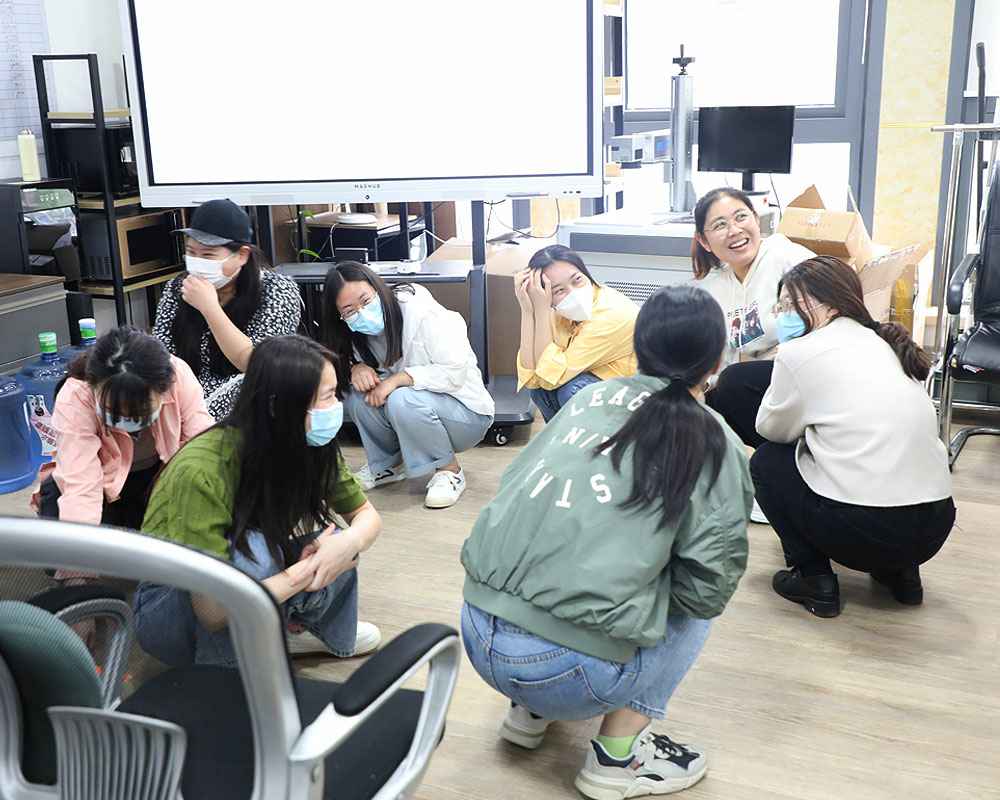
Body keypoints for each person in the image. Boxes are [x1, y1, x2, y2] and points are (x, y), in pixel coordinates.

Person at [460, 286, 752, 799]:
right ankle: (616, 759)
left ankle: (528, 715)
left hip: (475, 631)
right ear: (716, 362)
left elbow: (514, 489)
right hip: (571, 672)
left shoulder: (587, 398)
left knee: (564, 535)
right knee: (696, 601)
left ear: (638, 347)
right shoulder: (714, 438)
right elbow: (709, 585)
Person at [134, 335, 383, 666]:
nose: (336, 405)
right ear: (279, 406)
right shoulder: (202, 469)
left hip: (238, 585)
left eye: (334, 393)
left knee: (334, 542)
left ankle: (283, 631)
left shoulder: (309, 444)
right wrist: (304, 572)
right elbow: (211, 611)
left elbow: (366, 515)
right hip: (171, 606)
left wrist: (348, 543)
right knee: (257, 556)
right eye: (326, 397)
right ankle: (228, 671)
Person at [751, 256, 956, 618]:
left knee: (767, 462)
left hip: (865, 531)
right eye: (780, 307)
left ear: (830, 305)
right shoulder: (888, 343)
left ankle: (814, 580)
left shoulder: (800, 351)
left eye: (791, 305)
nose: (784, 315)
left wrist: (809, 430)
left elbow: (770, 429)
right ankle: (902, 576)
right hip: (934, 526)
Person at [321, 262, 494, 509]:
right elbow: (338, 364)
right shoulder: (353, 333)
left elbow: (454, 372)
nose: (361, 312)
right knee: (358, 396)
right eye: (349, 311)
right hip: (411, 412)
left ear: (378, 289)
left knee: (402, 398)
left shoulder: (422, 312)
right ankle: (387, 466)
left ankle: (449, 471)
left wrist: (398, 379)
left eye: (365, 300)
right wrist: (355, 368)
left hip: (466, 415)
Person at [691, 187, 814, 524]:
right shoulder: (713, 287)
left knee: (734, 382)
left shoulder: (788, 258)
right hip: (749, 384)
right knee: (698, 400)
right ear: (704, 241)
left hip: (803, 375)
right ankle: (752, 483)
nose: (734, 230)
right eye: (719, 225)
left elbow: (821, 319)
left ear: (756, 219)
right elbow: (717, 351)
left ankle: (786, 479)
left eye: (740, 217)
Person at [34, 325, 213, 531]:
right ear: (93, 386)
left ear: (163, 390)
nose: (128, 419)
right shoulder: (76, 396)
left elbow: (201, 452)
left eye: (141, 409)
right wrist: (81, 545)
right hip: (100, 481)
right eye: (114, 410)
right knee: (62, 510)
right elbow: (80, 484)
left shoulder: (177, 376)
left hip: (157, 478)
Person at [153, 199, 302, 420]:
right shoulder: (178, 287)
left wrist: (210, 308)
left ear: (242, 255)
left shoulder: (277, 290)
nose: (197, 262)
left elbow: (257, 365)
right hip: (184, 398)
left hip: (247, 400)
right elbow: (161, 357)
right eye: (191, 252)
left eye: (208, 255)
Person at [515, 244, 638, 422]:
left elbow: (549, 378)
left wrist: (541, 311)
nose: (573, 293)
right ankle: (563, 439)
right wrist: (528, 311)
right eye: (559, 290)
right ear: (546, 296)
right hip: (606, 385)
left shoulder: (612, 313)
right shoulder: (558, 311)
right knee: (540, 392)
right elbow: (533, 379)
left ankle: (596, 441)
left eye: (577, 280)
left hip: (638, 400)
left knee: (575, 391)